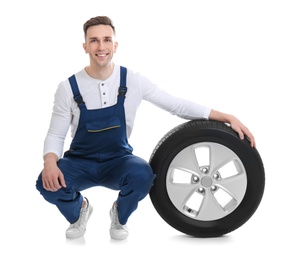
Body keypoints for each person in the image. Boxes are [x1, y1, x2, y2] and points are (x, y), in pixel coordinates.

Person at [35, 16, 256, 240]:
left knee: (143, 174)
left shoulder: (133, 81)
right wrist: (50, 163)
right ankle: (79, 210)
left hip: (118, 160)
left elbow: (176, 105)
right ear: (85, 46)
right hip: (80, 161)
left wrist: (225, 116)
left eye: (106, 40)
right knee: (46, 183)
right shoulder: (68, 87)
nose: (101, 47)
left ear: (115, 45)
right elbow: (55, 134)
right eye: (94, 41)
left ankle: (119, 215)